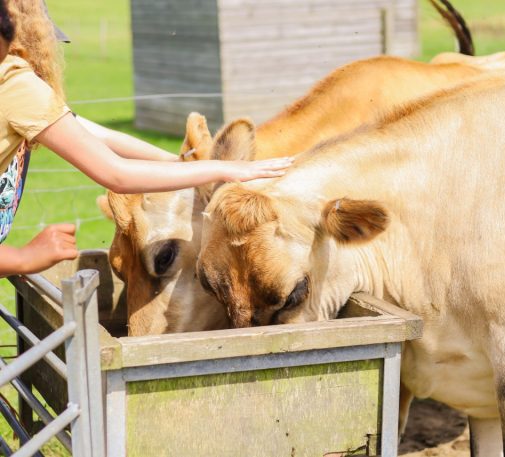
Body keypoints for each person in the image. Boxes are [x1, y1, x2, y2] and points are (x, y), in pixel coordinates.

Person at [0, 0, 292, 278]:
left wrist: (177, 162)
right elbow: (116, 173)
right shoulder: (14, 83)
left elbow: (95, 135)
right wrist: (224, 169)